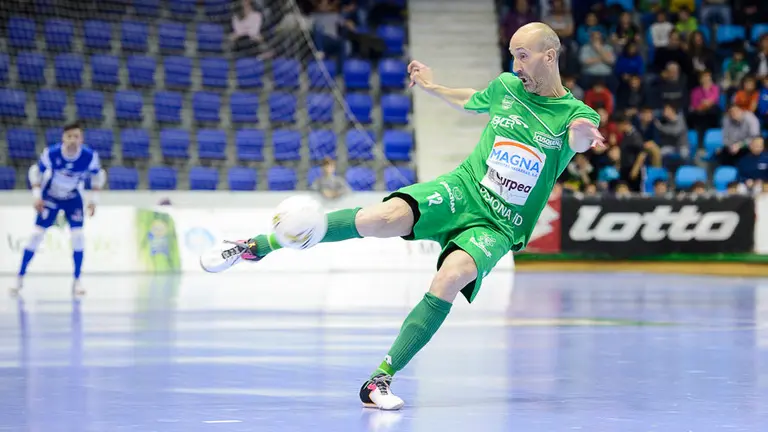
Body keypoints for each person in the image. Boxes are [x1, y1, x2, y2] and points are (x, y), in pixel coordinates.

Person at [202, 22, 603, 411]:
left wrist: (587, 132)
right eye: (513, 55)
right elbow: (472, 98)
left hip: (500, 224)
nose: (516, 65)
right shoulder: (507, 87)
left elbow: (578, 138)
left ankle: (380, 378)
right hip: (463, 188)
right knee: (382, 217)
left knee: (451, 276)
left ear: (549, 57)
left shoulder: (574, 114)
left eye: (523, 56)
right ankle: (255, 245)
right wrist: (432, 86)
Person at [12, 121, 105, 297]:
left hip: (72, 198)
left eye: (76, 137)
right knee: (36, 236)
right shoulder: (52, 153)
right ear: (63, 138)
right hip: (51, 197)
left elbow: (98, 176)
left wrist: (94, 200)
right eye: (69, 136)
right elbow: (35, 171)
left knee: (78, 237)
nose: (72, 140)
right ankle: (19, 278)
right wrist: (37, 196)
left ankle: (77, 281)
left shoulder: (89, 156)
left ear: (81, 139)